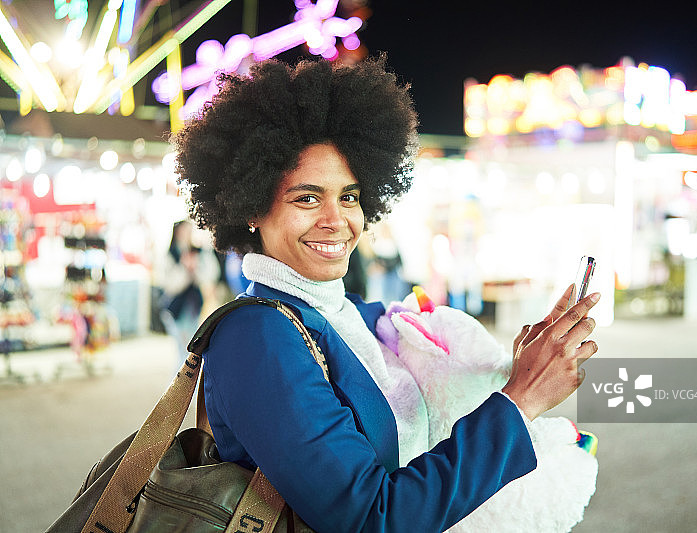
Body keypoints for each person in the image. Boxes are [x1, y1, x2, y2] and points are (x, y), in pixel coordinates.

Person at [173, 56, 599, 533]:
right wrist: (521, 401)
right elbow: (371, 518)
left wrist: (516, 367)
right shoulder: (258, 336)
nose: (337, 220)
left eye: (350, 197)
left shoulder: (355, 316)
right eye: (307, 198)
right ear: (251, 207)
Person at [158, 220, 219, 367]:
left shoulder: (198, 251)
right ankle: (180, 384)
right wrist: (185, 269)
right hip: (176, 307)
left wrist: (195, 268)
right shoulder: (170, 254)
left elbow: (211, 274)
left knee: (189, 347)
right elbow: (169, 285)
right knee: (183, 349)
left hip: (193, 305)